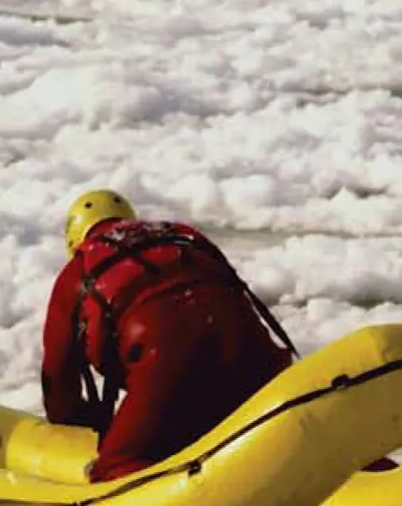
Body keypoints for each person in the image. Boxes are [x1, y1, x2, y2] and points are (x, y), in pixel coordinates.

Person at [41, 189, 297, 483]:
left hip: (167, 369)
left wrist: (84, 424)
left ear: (75, 241)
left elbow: (59, 379)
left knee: (117, 466)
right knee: (287, 433)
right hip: (256, 357)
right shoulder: (182, 236)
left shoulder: (79, 270)